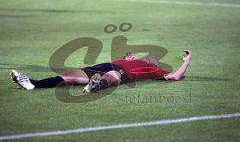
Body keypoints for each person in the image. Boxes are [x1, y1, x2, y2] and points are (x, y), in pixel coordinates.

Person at [10, 50, 191, 93]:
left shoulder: (156, 70)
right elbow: (125, 59)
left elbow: (175, 76)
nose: (151, 56)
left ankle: (94, 86)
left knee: (113, 77)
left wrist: (186, 62)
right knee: (69, 76)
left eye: (154, 57)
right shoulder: (134, 59)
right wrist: (129, 58)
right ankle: (33, 84)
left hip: (119, 73)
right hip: (103, 65)